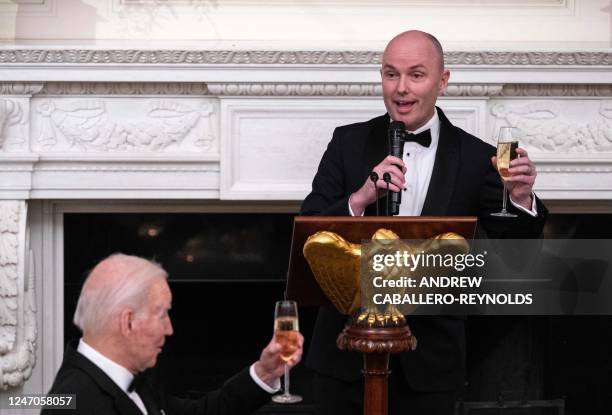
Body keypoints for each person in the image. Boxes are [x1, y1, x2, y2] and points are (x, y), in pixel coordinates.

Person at [300, 30, 547, 415]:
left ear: (442, 81)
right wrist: (361, 197)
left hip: (431, 364)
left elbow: (515, 252)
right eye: (390, 74)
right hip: (344, 357)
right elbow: (311, 228)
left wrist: (518, 199)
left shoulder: (476, 156)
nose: (401, 89)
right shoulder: (347, 143)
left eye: (416, 75)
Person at [43, 254, 303, 415]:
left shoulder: (130, 380)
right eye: (162, 314)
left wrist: (266, 372)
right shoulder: (74, 404)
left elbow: (201, 413)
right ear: (128, 322)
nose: (170, 329)